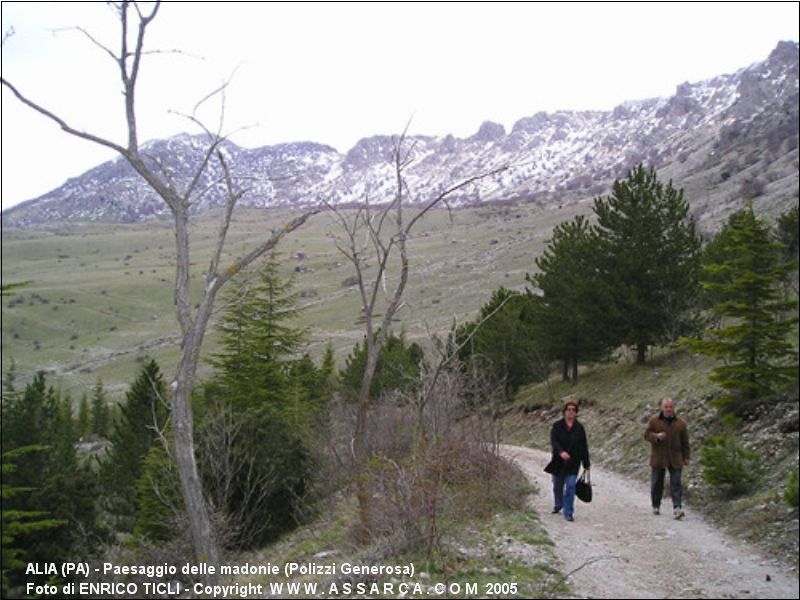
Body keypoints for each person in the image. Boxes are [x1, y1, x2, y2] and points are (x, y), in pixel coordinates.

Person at [644, 397, 691, 519]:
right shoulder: (654, 421)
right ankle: (656, 505)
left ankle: (677, 507)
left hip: (676, 458)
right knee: (657, 483)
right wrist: (656, 436)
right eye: (666, 407)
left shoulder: (681, 424)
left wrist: (686, 457)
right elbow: (646, 435)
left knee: (676, 483)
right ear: (662, 408)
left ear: (674, 408)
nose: (668, 409)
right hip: (659, 457)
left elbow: (685, 442)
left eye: (670, 407)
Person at [546, 398, 590, 522]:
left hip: (573, 463)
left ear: (576, 412)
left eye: (573, 410)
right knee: (557, 486)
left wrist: (586, 463)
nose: (571, 412)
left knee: (570, 486)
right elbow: (554, 442)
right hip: (558, 461)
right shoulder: (557, 426)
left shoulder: (579, 428)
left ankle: (568, 511)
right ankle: (558, 504)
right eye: (568, 410)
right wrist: (561, 452)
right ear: (564, 411)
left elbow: (583, 446)